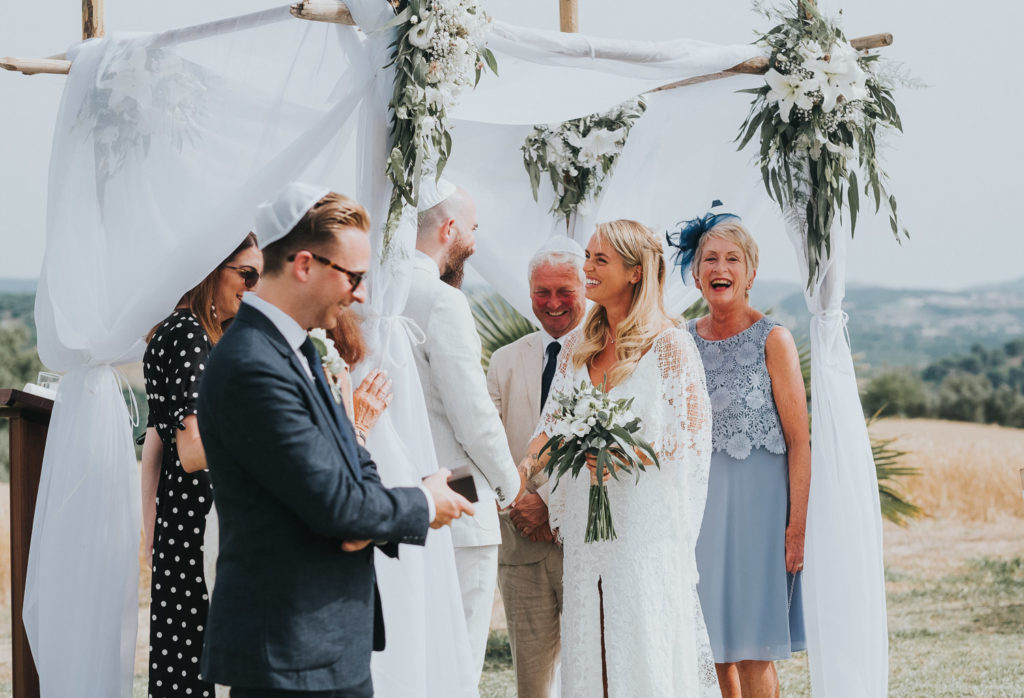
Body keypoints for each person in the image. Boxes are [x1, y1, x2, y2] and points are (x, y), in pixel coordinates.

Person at [197, 182, 474, 698]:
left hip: (327, 642)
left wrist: (362, 513)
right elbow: (337, 505)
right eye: (353, 276)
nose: (362, 295)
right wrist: (418, 502)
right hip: (287, 647)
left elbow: (353, 460)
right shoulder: (251, 366)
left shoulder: (295, 350)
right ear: (304, 264)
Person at [520, 220, 717, 696]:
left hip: (643, 525)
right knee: (592, 637)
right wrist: (519, 473)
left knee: (640, 636)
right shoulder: (576, 348)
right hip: (591, 523)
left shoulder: (670, 346)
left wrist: (625, 455)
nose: (586, 268)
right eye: (587, 257)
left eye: (598, 259)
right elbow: (551, 427)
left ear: (634, 272)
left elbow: (689, 439)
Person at [674, 210, 810, 698]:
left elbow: (799, 442)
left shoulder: (775, 340)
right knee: (709, 648)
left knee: (753, 650)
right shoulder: (680, 342)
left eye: (732, 258)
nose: (719, 266)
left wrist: (796, 530)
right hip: (699, 515)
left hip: (761, 517)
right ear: (695, 273)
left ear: (750, 273)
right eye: (709, 258)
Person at [403, 178, 524, 682]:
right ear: (448, 228)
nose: (474, 241)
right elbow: (473, 416)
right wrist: (512, 488)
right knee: (456, 665)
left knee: (413, 658)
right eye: (472, 229)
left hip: (398, 494)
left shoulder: (373, 293)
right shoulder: (441, 300)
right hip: (459, 501)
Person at [140, 231, 261, 698]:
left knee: (186, 671)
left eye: (260, 277)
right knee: (198, 674)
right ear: (213, 270)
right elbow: (191, 452)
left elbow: (155, 445)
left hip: (182, 527)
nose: (253, 287)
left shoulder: (186, 333)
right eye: (245, 274)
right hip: (198, 528)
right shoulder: (190, 336)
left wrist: (152, 529)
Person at [486, 237, 586, 697]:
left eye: (564, 290)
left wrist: (551, 505)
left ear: (587, 286)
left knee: (593, 677)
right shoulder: (505, 360)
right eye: (542, 292)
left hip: (588, 542)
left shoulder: (609, 356)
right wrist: (520, 501)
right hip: (519, 544)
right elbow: (483, 446)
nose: (553, 303)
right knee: (533, 685)